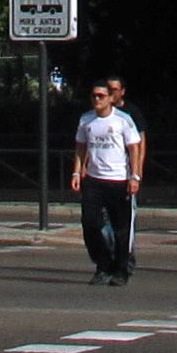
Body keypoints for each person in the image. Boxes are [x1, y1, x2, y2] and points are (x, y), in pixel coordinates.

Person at [71, 80, 143, 284]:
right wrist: (77, 173)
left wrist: (135, 176)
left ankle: (121, 270)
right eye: (94, 96)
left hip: (118, 179)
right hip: (94, 179)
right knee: (90, 224)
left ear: (111, 98)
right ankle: (103, 264)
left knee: (121, 228)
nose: (96, 99)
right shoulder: (86, 120)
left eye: (101, 96)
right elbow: (80, 147)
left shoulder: (123, 120)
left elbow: (134, 148)